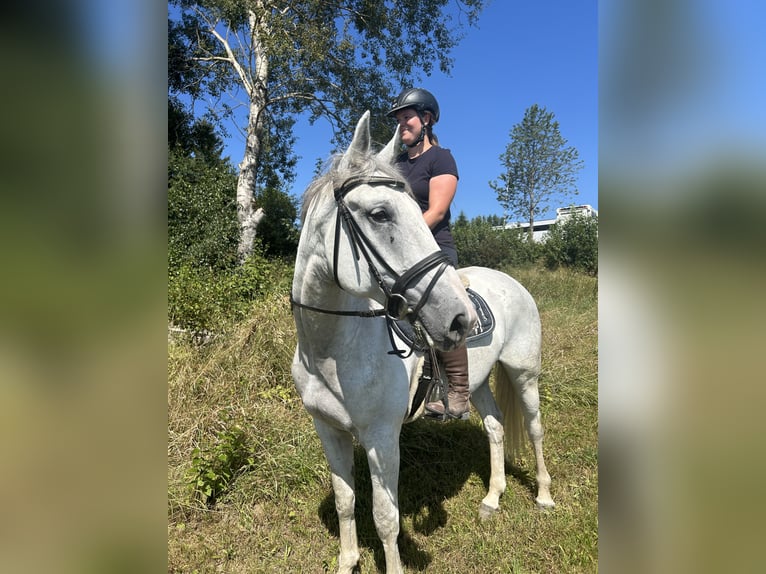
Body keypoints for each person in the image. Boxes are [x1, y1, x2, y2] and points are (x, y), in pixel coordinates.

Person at [387, 87, 471, 420]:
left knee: (439, 308)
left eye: (406, 117)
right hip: (397, 253)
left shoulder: (441, 159)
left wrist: (400, 242)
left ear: (426, 119)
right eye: (398, 120)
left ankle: (459, 392)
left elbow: (436, 212)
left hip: (435, 249)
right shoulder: (394, 164)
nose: (401, 125)